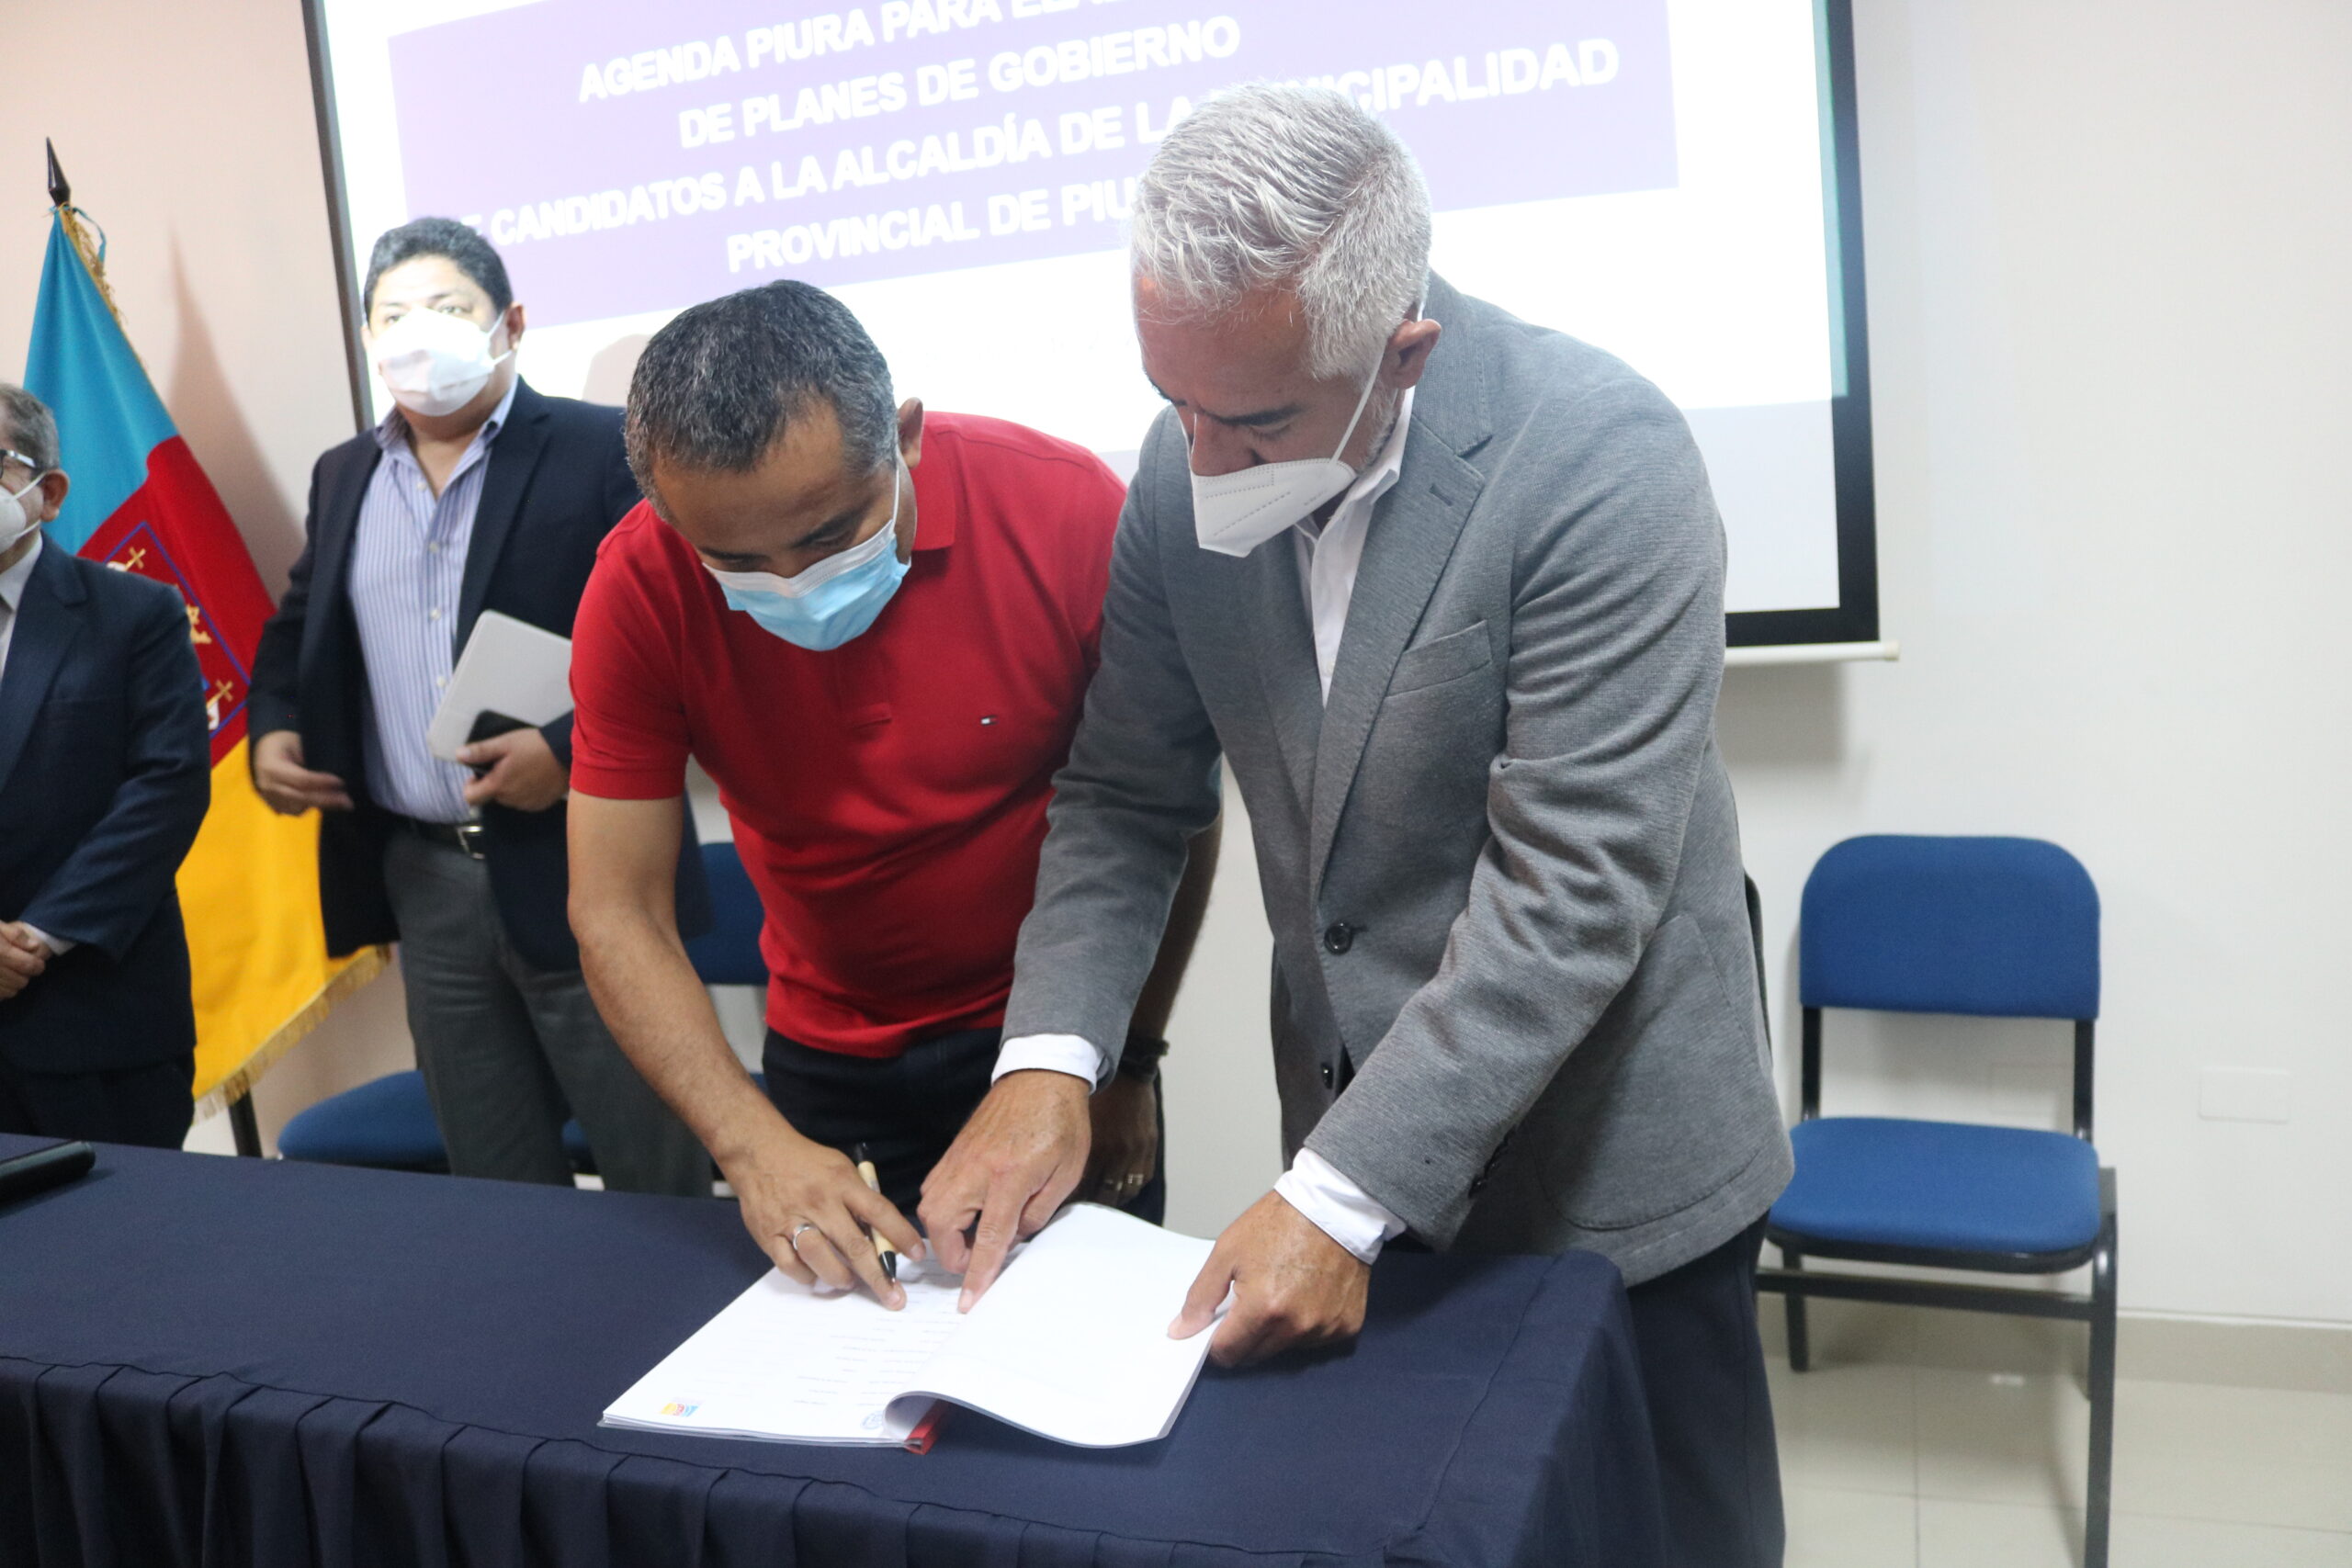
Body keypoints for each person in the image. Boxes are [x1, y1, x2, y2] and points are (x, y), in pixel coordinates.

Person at [923, 85, 1792, 1565]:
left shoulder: (1600, 453)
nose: (1202, 458)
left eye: (1257, 420)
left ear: (1404, 351)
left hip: (1606, 1172)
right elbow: (1126, 794)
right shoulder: (1180, 462)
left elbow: (1574, 890)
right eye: (1176, 402)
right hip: (1349, 1139)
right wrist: (1050, 1060)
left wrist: (1339, 1192)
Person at [565, 280, 1216, 1309]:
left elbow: (1166, 812)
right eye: (737, 561)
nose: (792, 583)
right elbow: (617, 908)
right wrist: (751, 1147)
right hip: (829, 1057)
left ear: (904, 437)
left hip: (1056, 1030)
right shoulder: (640, 584)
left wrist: (1126, 1058)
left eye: (830, 536)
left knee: (1081, 1344)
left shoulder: (1063, 509)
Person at [249, 219, 709, 1195]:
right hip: (425, 876)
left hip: (590, 854)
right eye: (394, 316)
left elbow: (689, 634)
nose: (419, 333)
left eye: (448, 308)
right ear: (368, 339)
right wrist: (272, 726)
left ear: (513, 322)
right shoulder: (345, 473)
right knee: (492, 1179)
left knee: (653, 1166)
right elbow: (300, 626)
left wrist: (569, 750)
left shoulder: (601, 449)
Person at [0, 385, 210, 1147]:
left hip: (99, 1025)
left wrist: (39, 935)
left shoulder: (136, 613)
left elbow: (167, 790)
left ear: (48, 492)